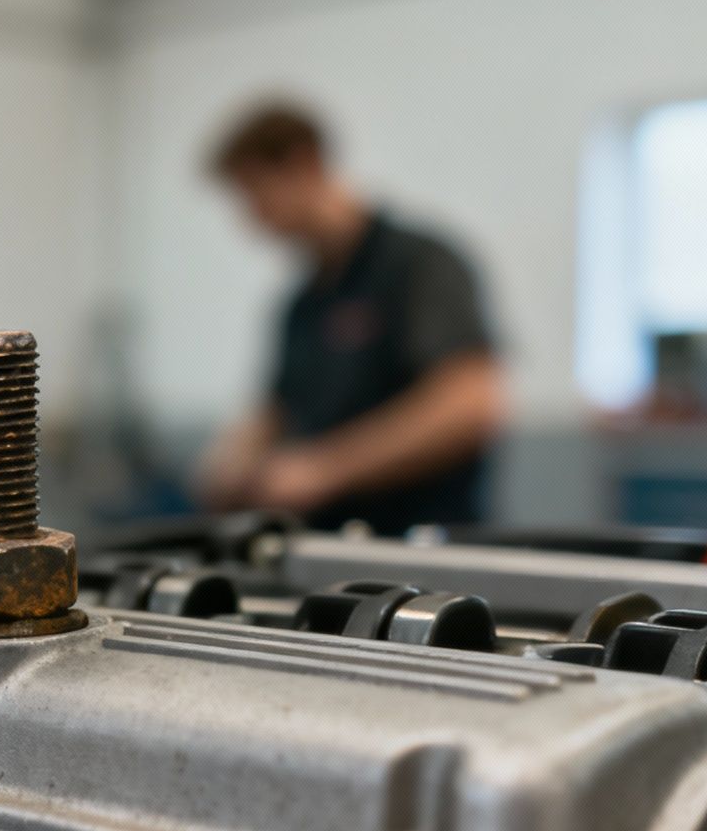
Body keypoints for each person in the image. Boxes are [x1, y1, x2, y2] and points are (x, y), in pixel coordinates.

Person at [195, 102, 505, 534]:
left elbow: (471, 404)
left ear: (303, 163)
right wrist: (235, 456)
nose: (251, 220)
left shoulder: (419, 266)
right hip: (328, 554)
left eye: (254, 193)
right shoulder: (303, 302)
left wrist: (325, 469)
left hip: (421, 555)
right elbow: (278, 406)